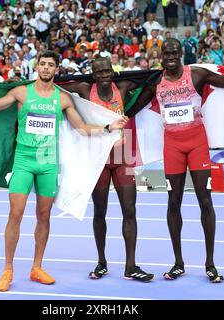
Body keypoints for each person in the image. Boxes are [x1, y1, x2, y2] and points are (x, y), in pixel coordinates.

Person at [0, 50, 128, 292]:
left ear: (56, 69)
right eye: (42, 64)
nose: (46, 68)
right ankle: (7, 269)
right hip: (24, 162)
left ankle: (37, 267)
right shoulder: (21, 93)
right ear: (37, 67)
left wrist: (109, 126)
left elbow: (81, 128)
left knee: (44, 216)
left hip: (47, 165)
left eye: (50, 65)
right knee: (15, 213)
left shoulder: (63, 98)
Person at [126, 38, 224, 283]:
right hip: (172, 147)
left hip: (197, 144)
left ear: (181, 53)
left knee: (205, 200)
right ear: (161, 56)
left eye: (175, 51)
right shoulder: (155, 83)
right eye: (167, 53)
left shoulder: (196, 74)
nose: (171, 56)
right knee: (173, 201)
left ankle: (210, 264)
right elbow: (132, 108)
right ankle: (178, 263)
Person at [59, 57, 154, 282]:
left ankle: (131, 266)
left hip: (123, 154)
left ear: (113, 72)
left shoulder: (123, 87)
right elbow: (58, 88)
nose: (104, 76)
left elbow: (151, 83)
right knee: (100, 210)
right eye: (99, 72)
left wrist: (133, 106)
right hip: (98, 157)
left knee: (130, 210)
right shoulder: (84, 89)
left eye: (107, 71)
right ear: (93, 74)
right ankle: (101, 262)